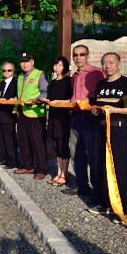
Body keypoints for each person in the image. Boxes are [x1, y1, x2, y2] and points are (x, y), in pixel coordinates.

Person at [88, 52, 127, 222]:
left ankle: (122, 208)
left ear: (119, 64)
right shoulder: (101, 84)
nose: (107, 66)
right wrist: (95, 110)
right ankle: (104, 204)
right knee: (99, 167)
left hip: (118, 129)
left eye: (111, 62)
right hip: (100, 129)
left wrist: (115, 110)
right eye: (104, 63)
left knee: (119, 168)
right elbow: (97, 104)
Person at [62, 44, 105, 199]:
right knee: (76, 153)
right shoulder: (74, 76)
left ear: (87, 56)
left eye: (82, 54)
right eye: (76, 55)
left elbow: (99, 94)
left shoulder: (96, 73)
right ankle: (82, 187)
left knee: (92, 154)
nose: (78, 57)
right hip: (75, 117)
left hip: (90, 117)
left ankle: (98, 190)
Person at [14, 52, 48, 179]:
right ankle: (28, 166)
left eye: (27, 61)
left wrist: (35, 100)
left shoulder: (40, 74)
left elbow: (45, 92)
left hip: (36, 113)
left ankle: (42, 169)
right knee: (23, 141)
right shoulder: (21, 76)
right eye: (22, 61)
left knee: (37, 142)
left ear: (32, 62)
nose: (25, 64)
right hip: (22, 112)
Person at [43, 56, 73, 187]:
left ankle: (64, 174)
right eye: (55, 65)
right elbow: (50, 98)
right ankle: (58, 172)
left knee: (63, 146)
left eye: (60, 65)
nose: (57, 68)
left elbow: (72, 99)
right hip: (54, 117)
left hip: (64, 118)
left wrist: (59, 102)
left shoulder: (69, 81)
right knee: (55, 145)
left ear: (65, 67)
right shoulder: (52, 82)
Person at [0, 62, 18, 169]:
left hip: (9, 114)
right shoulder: (1, 84)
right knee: (1, 137)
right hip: (0, 114)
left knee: (9, 138)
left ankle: (12, 161)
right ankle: (5, 158)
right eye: (4, 70)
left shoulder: (16, 83)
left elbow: (17, 98)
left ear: (13, 71)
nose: (6, 72)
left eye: (9, 70)